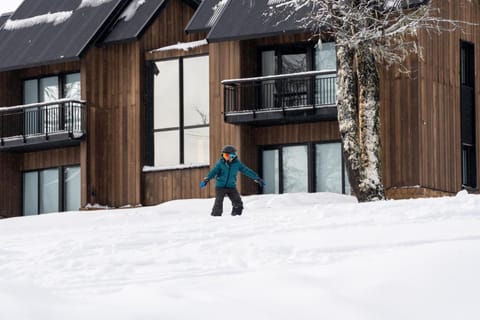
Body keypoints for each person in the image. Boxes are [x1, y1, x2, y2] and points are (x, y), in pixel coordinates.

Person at [200, 145, 265, 216]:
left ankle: (235, 217)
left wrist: (257, 178)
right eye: (224, 155)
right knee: (218, 203)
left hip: (231, 186)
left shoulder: (237, 163)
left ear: (233, 156)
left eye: (227, 155)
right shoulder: (220, 163)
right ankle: (215, 218)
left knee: (238, 203)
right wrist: (206, 180)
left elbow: (246, 171)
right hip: (220, 187)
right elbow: (213, 172)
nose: (226, 157)